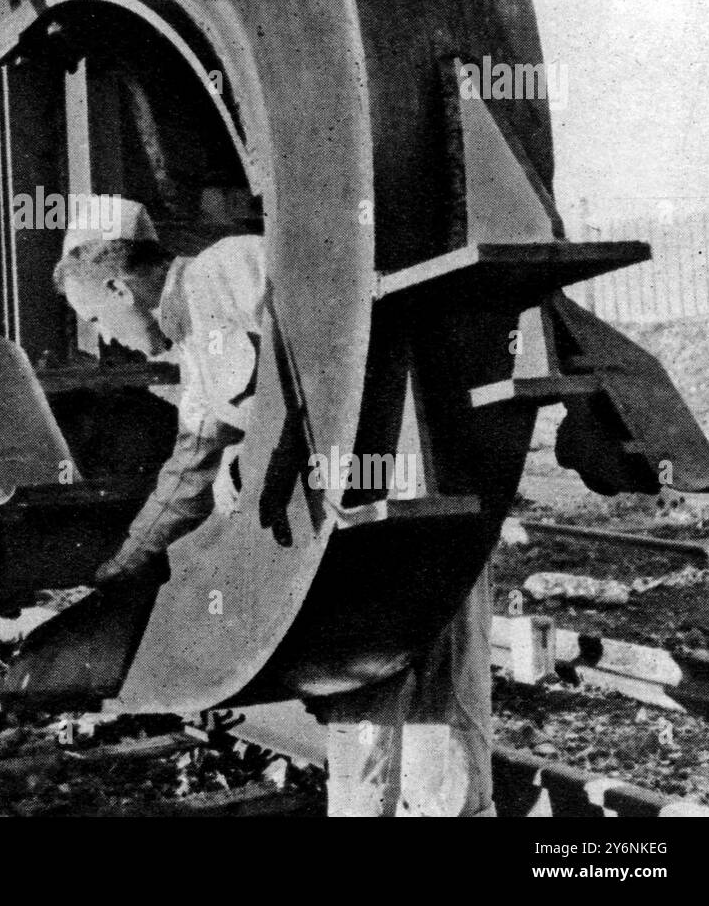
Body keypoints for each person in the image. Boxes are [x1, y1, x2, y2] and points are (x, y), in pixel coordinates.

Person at [53, 198, 495, 817]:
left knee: (390, 681)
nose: (103, 337)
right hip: (402, 491)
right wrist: (134, 558)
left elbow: (298, 383)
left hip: (383, 497)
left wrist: (136, 559)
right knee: (429, 685)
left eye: (95, 318)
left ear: (117, 286)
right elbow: (195, 459)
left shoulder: (221, 274)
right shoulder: (203, 320)